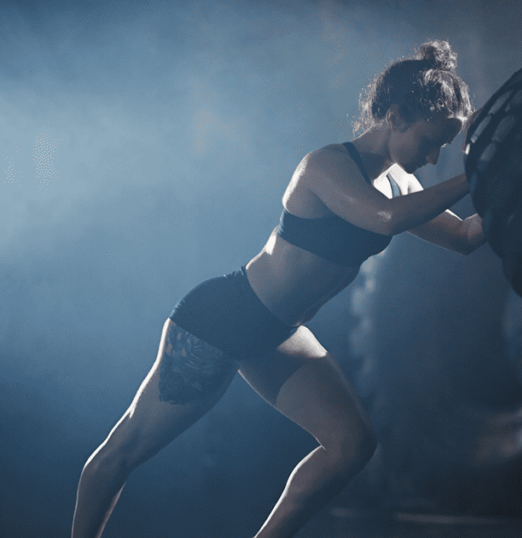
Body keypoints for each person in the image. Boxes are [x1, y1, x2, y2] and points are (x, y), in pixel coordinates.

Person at [71, 40, 485, 538]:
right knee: (125, 451)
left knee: (351, 444)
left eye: (443, 146)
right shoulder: (326, 165)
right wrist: (474, 176)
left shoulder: (401, 184)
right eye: (428, 141)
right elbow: (385, 220)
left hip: (280, 332)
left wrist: (513, 182)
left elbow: (463, 238)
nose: (434, 157)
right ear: (395, 117)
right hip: (222, 318)